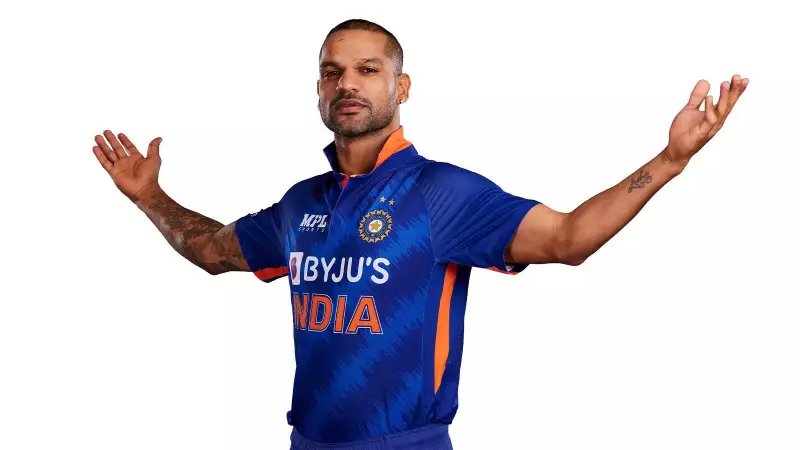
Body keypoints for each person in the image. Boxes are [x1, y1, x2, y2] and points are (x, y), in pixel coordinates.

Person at [91, 18, 748, 450]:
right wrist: (150, 197)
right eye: (332, 72)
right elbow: (211, 252)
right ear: (318, 90)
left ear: (401, 86)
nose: (347, 84)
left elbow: (568, 238)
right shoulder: (300, 205)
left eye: (367, 69)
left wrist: (669, 161)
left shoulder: (441, 194)